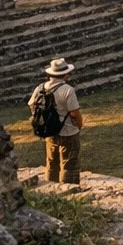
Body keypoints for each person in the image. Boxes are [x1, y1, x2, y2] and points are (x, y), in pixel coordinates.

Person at [39, 57, 84, 185]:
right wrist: (79, 125)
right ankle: (69, 189)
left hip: (50, 130)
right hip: (68, 131)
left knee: (52, 160)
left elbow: (32, 105)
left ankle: (51, 186)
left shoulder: (41, 88)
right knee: (69, 162)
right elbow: (74, 113)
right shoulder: (67, 90)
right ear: (64, 75)